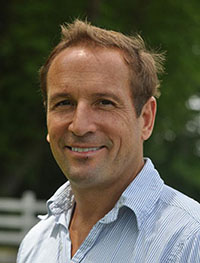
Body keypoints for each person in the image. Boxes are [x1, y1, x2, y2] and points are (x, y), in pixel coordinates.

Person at [17, 19, 200, 263]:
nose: (79, 126)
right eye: (64, 103)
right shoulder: (36, 243)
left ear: (145, 119)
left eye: (104, 102)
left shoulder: (189, 240)